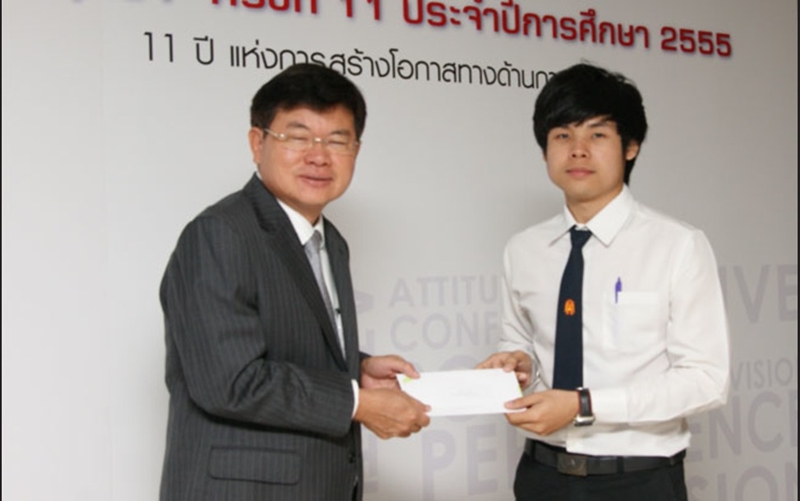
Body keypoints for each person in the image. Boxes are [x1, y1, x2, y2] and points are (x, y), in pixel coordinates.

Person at [159, 63, 430, 501]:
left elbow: (281, 345)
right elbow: (229, 380)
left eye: (336, 141)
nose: (318, 157)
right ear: (257, 142)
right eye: (298, 137)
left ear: (356, 150)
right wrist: (356, 401)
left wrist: (357, 370)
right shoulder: (220, 233)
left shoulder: (331, 241)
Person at [478, 62, 730, 500]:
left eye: (597, 135)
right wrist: (517, 367)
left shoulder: (677, 245)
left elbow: (706, 380)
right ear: (544, 150)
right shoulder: (523, 249)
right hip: (541, 476)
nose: (578, 150)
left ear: (630, 147)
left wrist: (583, 405)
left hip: (637, 481)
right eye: (562, 136)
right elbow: (521, 346)